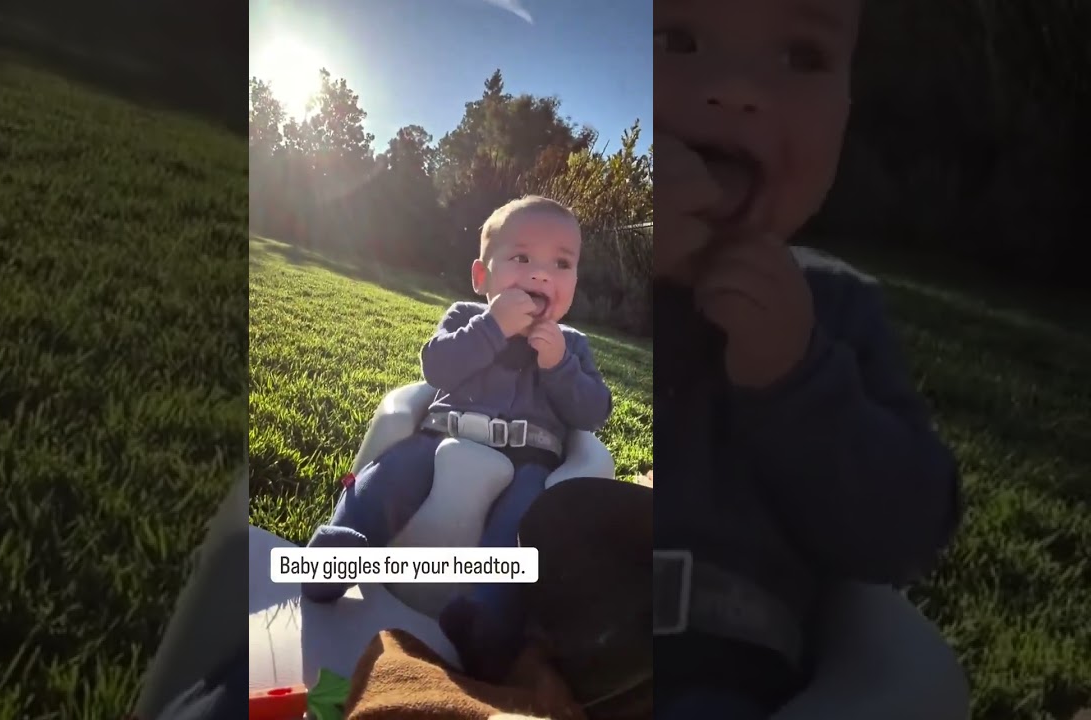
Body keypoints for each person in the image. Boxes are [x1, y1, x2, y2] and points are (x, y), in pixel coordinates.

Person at [652, 0, 963, 718]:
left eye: (801, 57)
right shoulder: (574, 261)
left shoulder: (834, 309)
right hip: (529, 620)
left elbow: (903, 536)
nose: (738, 90)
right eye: (677, 39)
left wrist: (798, 379)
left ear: (848, 108)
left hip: (717, 678)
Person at [301, 194, 614, 681]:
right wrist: (492, 328)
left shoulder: (572, 345)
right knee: (388, 476)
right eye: (522, 258)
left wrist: (560, 367)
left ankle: (486, 611)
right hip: (440, 435)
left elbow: (592, 413)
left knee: (520, 525)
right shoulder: (466, 316)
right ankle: (342, 547)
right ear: (482, 276)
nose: (540, 275)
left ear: (574, 282)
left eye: (561, 263)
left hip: (529, 461)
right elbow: (437, 366)